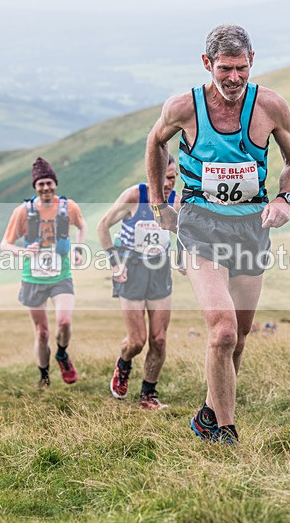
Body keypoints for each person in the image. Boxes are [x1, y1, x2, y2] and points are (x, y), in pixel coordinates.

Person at [145, 24, 290, 443]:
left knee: (240, 338)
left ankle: (207, 413)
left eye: (242, 69)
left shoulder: (270, 105)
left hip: (252, 226)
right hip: (200, 223)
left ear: (252, 62)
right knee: (223, 330)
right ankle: (226, 433)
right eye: (224, 69)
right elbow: (155, 142)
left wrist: (284, 200)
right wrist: (162, 206)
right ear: (207, 64)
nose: (234, 78)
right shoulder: (185, 107)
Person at [97, 155, 179, 410]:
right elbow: (102, 226)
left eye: (172, 178)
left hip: (159, 269)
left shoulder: (177, 200)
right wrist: (114, 261)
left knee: (159, 339)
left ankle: (148, 396)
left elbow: (186, 232)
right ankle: (123, 364)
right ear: (151, 176)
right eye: (164, 177)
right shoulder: (134, 196)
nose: (168, 183)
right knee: (136, 341)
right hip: (131, 268)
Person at [1, 157, 87, 388]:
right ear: (35, 187)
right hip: (33, 278)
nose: (46, 187)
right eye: (41, 184)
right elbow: (5, 245)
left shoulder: (68, 207)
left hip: (61, 275)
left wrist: (78, 248)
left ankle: (61, 354)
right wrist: (23, 252)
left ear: (55, 184)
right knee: (42, 333)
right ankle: (44, 376)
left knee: (65, 322)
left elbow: (82, 226)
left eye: (49, 183)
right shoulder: (23, 212)